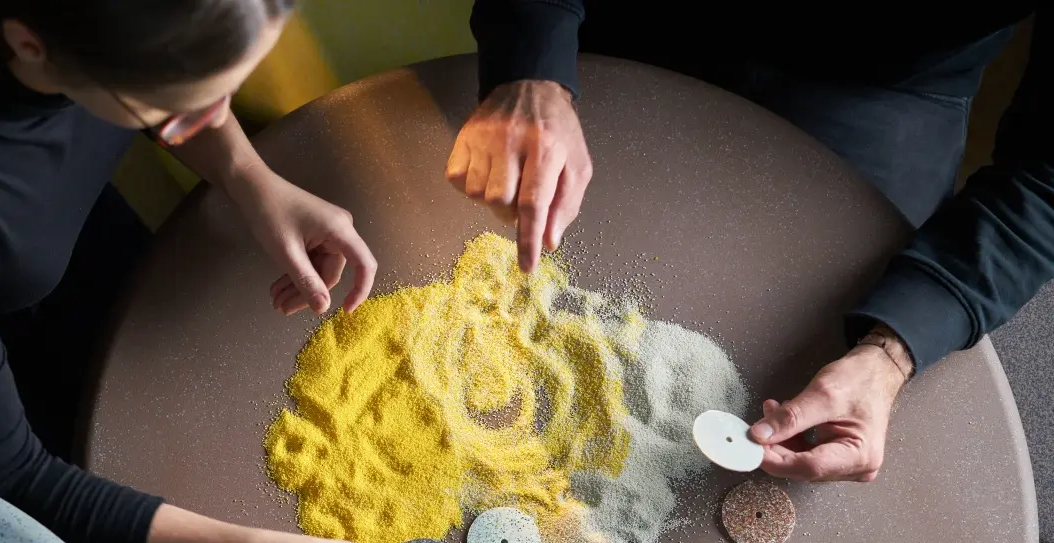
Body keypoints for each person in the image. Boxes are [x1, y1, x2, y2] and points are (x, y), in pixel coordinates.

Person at [0, 0, 445, 543]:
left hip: (34, 235)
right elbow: (12, 478)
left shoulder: (98, 42)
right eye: (185, 108)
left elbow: (163, 91)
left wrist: (250, 179)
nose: (215, 116)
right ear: (30, 45)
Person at [450, 3, 1052, 484]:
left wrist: (894, 351)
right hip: (646, 23)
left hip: (889, 86)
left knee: (812, 372)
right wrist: (532, 62)